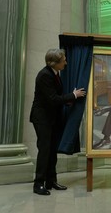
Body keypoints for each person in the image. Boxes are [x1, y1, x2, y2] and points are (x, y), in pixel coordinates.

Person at [30, 49, 86, 195]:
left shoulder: (55, 73)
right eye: (63, 61)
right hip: (42, 118)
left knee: (52, 151)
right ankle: (38, 184)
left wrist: (68, 100)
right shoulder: (44, 75)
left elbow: (56, 98)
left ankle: (51, 181)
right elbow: (53, 99)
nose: (66, 63)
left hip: (52, 117)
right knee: (45, 150)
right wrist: (73, 95)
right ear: (54, 63)